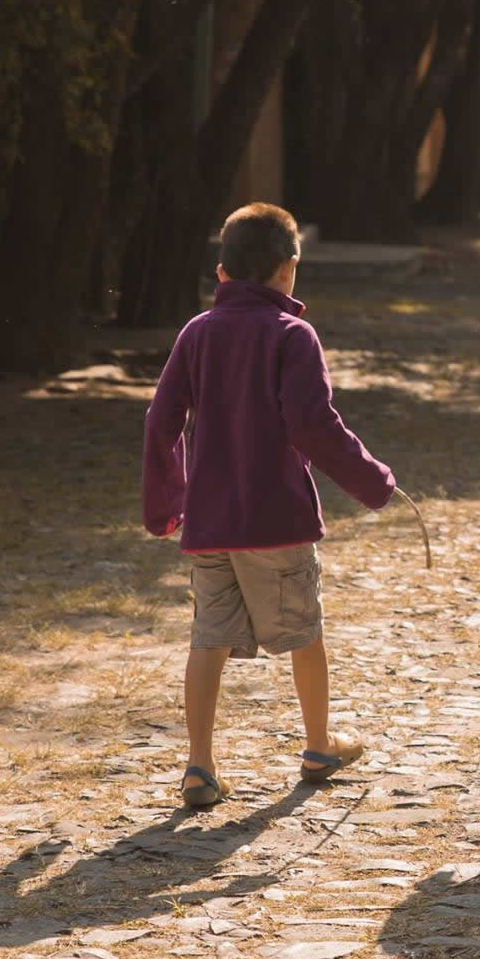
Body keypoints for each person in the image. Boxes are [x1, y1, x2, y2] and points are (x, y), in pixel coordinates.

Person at [143, 203, 397, 809]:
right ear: (288, 269)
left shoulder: (196, 332)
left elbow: (162, 420)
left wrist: (166, 502)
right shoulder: (292, 334)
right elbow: (313, 425)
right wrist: (373, 482)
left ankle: (199, 766)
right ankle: (318, 744)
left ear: (223, 271)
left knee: (209, 638)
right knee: (303, 630)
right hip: (275, 517)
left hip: (209, 522)